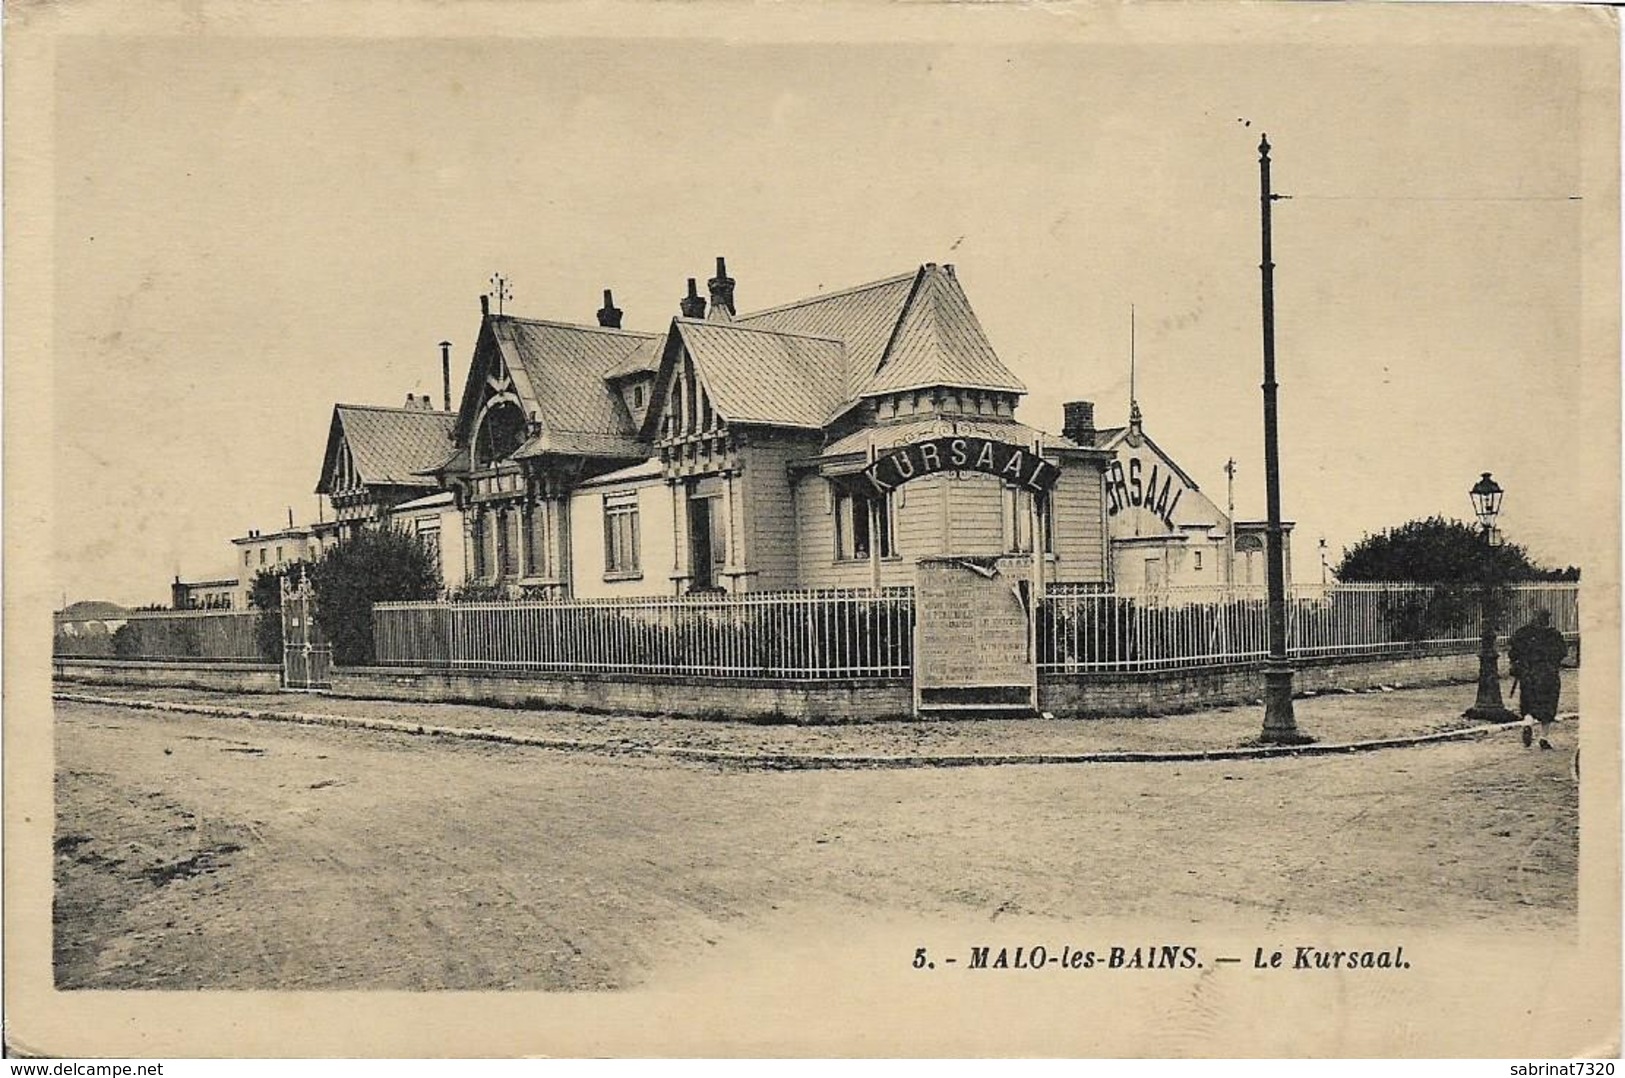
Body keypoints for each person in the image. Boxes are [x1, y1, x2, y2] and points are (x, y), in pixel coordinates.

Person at [1508, 609, 1568, 750]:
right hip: (1548, 675)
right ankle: (1543, 737)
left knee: (1528, 702)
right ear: (1547, 619)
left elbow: (1512, 653)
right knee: (1548, 706)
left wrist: (1519, 664)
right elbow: (1562, 653)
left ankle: (1528, 723)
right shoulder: (1554, 634)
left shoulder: (1523, 633)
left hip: (1528, 674)